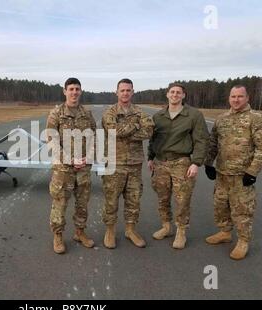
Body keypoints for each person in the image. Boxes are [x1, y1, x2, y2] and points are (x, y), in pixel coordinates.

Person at [147, 83, 209, 249]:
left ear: (183, 95)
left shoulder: (194, 115)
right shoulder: (159, 116)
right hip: (160, 162)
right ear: (167, 94)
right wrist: (150, 157)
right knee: (163, 197)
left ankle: (181, 231)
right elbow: (153, 139)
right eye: (172, 92)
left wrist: (196, 163)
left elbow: (201, 140)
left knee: (182, 199)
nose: (175, 95)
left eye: (178, 92)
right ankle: (166, 226)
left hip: (181, 162)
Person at [204, 85, 262, 260]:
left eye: (240, 96)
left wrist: (252, 171)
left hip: (242, 175)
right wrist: (208, 163)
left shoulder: (255, 119)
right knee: (220, 206)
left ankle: (243, 241)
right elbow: (213, 142)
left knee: (242, 209)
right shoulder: (222, 119)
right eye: (233, 96)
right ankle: (225, 232)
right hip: (222, 173)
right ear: (229, 98)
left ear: (247, 98)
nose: (236, 100)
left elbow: (261, 148)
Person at [101, 79, 154, 249]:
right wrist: (136, 125)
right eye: (122, 90)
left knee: (133, 200)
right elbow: (114, 131)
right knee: (111, 200)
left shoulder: (139, 111)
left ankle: (131, 230)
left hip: (134, 164)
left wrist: (126, 131)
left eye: (128, 90)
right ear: (116, 92)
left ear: (132, 92)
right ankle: (110, 231)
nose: (125, 93)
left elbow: (149, 131)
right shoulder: (109, 112)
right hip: (114, 163)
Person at [46, 78, 96, 254]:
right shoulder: (56, 114)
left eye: (77, 89)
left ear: (81, 91)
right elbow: (52, 141)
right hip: (63, 169)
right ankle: (58, 236)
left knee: (82, 203)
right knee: (60, 204)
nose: (74, 92)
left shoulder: (87, 114)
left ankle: (80, 233)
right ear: (65, 91)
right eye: (71, 89)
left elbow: (94, 139)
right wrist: (70, 160)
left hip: (83, 168)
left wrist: (87, 158)